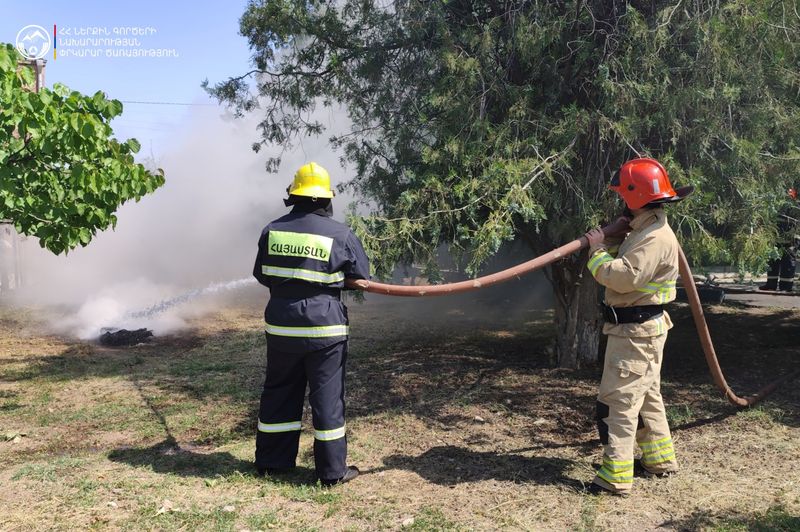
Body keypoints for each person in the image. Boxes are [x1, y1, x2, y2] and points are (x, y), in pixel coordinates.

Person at [253, 162, 370, 486]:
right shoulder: (341, 234)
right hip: (325, 331)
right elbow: (361, 275)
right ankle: (332, 472)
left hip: (282, 328)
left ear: (294, 195)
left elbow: (262, 274)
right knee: (327, 399)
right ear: (326, 199)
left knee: (279, 392)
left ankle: (272, 463)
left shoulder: (272, 231)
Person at [582, 158, 693, 496]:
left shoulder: (653, 237)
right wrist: (614, 235)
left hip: (635, 333)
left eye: (623, 194)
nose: (620, 200)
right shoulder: (646, 230)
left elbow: (623, 276)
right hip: (641, 330)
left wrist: (596, 251)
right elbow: (631, 259)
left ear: (635, 195)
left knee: (618, 401)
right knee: (646, 396)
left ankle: (615, 476)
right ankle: (660, 460)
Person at [759, 186, 798, 292]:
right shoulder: (775, 206)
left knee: (788, 263)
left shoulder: (795, 208)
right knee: (772, 261)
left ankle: (786, 287)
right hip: (775, 239)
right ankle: (771, 284)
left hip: (791, 241)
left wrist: (795, 241)